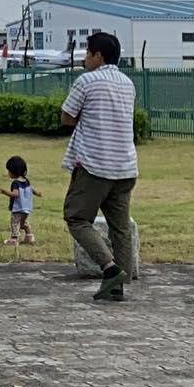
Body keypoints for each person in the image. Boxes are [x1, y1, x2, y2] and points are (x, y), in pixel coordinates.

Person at [60, 31, 137, 301]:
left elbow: (67, 117)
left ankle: (109, 268)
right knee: (120, 227)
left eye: (87, 54)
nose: (84, 59)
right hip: (126, 166)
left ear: (98, 56)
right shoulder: (127, 83)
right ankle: (120, 282)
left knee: (77, 217)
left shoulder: (87, 81)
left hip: (95, 165)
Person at [0, 155, 35, 245]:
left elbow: (15, 194)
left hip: (18, 208)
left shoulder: (16, 183)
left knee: (15, 222)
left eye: (9, 171)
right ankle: (29, 236)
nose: (8, 173)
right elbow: (31, 189)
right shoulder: (26, 181)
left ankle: (14, 239)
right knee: (23, 222)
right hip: (26, 207)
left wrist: (4, 192)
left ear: (13, 172)